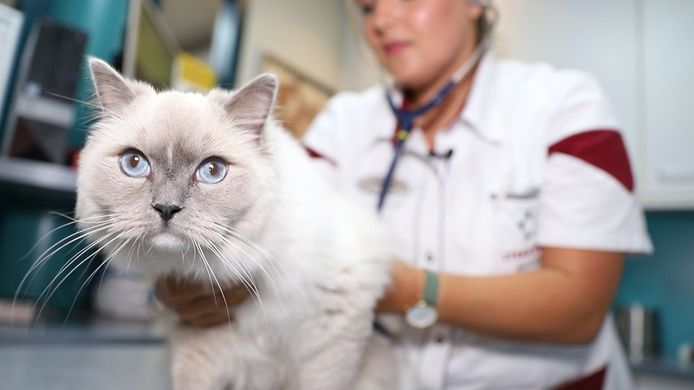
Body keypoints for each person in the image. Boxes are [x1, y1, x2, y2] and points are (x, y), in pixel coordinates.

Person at [156, 0, 652, 388]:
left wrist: (402, 288)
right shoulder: (339, 126)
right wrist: (175, 281)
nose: (382, 21)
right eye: (368, 7)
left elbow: (579, 309)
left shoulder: (567, 109)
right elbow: (261, 234)